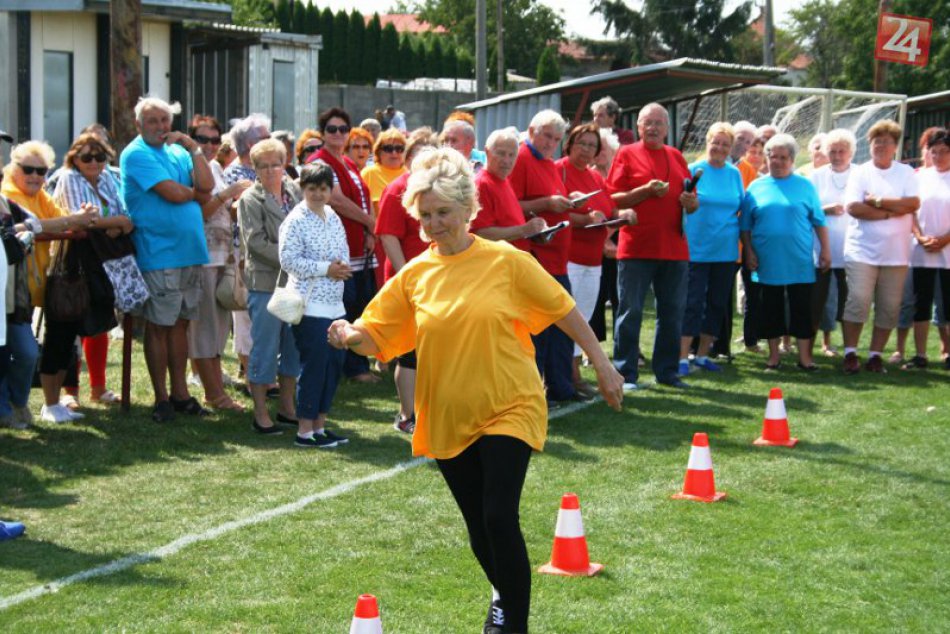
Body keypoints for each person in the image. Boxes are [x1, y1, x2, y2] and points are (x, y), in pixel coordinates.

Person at [327, 148, 624, 634]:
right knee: (480, 531)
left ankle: (512, 623)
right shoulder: (416, 275)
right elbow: (374, 330)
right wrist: (346, 334)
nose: (435, 223)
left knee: (498, 514)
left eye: (443, 212)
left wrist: (601, 362)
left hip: (511, 404)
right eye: (425, 215)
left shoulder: (506, 261)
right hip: (448, 414)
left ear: (468, 210)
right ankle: (503, 597)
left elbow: (563, 307)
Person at [121, 97, 213, 422]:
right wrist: (194, 194)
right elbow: (176, 194)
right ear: (139, 125)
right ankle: (161, 398)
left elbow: (208, 185)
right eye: (153, 121)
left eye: (165, 120)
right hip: (158, 253)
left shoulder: (177, 151)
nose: (161, 126)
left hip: (190, 251)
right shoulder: (136, 154)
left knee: (181, 323)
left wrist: (193, 147)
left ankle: (181, 395)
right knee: (159, 326)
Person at [2, 141, 99, 422]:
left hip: (30, 289)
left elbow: (61, 221)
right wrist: (72, 220)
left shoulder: (40, 195)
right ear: (12, 169)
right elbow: (45, 224)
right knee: (18, 352)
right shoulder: (8, 193)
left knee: (23, 352)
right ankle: (12, 407)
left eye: (41, 171)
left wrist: (76, 219)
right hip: (10, 291)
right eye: (28, 169)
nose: (35, 176)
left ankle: (16, 405)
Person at [606, 103, 698, 389]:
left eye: (659, 123)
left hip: (674, 249)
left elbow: (692, 200)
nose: (654, 127)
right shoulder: (626, 153)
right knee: (630, 312)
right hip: (636, 248)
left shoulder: (676, 156)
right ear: (639, 127)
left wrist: (692, 202)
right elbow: (614, 199)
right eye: (648, 122)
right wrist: (645, 191)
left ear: (668, 128)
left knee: (672, 312)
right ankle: (625, 372)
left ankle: (667, 372)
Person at [52, 132, 135, 408]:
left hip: (104, 257)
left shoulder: (110, 177)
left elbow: (126, 215)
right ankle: (69, 391)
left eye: (99, 156)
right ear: (74, 158)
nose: (94, 162)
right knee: (72, 318)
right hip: (75, 255)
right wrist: (115, 222)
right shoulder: (67, 177)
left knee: (102, 317)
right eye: (86, 156)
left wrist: (113, 221)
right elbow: (83, 219)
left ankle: (98, 388)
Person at [508, 109, 583, 403]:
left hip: (555, 257)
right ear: (531, 131)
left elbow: (549, 201)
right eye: (547, 136)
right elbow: (512, 205)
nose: (551, 142)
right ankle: (538, 390)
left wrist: (566, 201)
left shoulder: (547, 162)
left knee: (560, 324)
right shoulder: (522, 159)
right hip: (536, 256)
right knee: (539, 329)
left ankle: (561, 386)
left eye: (556, 138)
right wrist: (549, 202)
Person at [740, 134, 830, 370]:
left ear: (791, 159)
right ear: (766, 158)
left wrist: (825, 251)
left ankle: (805, 358)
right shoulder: (756, 187)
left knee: (802, 309)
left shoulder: (805, 185)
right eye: (773, 156)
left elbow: (819, 221)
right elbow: (746, 226)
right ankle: (773, 357)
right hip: (766, 262)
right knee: (771, 308)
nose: (777, 161)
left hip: (799, 260)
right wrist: (748, 251)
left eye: (783, 157)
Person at [278, 162, 351, 447]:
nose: (318, 194)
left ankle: (320, 425)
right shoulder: (295, 220)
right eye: (312, 189)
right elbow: (288, 261)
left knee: (333, 364)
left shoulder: (332, 215)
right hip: (308, 305)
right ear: (302, 189)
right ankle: (304, 430)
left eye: (323, 188)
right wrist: (326, 269)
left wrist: (342, 266)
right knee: (314, 366)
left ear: (330, 190)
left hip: (335, 303)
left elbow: (343, 247)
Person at [372, 132, 438, 433]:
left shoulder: (432, 190)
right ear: (410, 159)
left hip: (434, 281)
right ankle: (407, 415)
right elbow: (388, 236)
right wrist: (408, 278)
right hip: (410, 281)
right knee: (410, 353)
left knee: (430, 351)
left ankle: (425, 411)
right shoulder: (398, 189)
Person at [841, 120, 920, 374]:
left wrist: (876, 201)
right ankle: (850, 352)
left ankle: (875, 355)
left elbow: (912, 204)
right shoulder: (860, 172)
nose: (881, 146)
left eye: (887, 141)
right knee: (859, 300)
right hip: (861, 250)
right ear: (870, 144)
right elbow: (854, 208)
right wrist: (890, 213)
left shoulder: (906, 173)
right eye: (877, 141)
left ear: (895, 146)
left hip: (896, 253)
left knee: (889, 306)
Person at [186, 115, 251, 411]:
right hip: (201, 256)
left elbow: (224, 211)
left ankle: (215, 391)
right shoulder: (188, 166)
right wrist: (228, 194)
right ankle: (214, 394)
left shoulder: (213, 166)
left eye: (215, 139)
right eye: (203, 139)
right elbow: (199, 213)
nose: (210, 145)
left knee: (219, 328)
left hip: (222, 255)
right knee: (205, 328)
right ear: (191, 141)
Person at [237, 138, 302, 433]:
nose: (271, 170)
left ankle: (288, 408)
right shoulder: (251, 199)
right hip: (265, 283)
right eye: (263, 166)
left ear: (284, 163)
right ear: (254, 169)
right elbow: (256, 242)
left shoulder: (295, 190)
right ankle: (260, 413)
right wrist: (295, 258)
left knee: (293, 347)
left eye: (276, 163)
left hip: (296, 283)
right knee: (264, 347)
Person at [314, 107, 380, 384]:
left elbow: (364, 198)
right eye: (332, 129)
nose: (338, 134)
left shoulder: (349, 162)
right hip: (337, 249)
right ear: (323, 133)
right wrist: (371, 223)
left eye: (343, 129)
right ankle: (351, 367)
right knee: (347, 305)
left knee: (360, 303)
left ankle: (355, 362)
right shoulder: (321, 161)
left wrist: (368, 229)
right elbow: (336, 199)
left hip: (357, 245)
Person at [555, 123, 622, 397]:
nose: (586, 150)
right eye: (582, 143)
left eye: (592, 146)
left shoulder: (595, 178)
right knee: (566, 316)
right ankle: (567, 374)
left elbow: (609, 210)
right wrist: (585, 220)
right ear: (569, 143)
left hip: (593, 259)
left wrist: (616, 223)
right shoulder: (559, 170)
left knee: (584, 317)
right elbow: (555, 213)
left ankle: (573, 372)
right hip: (567, 256)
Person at [680, 122, 744, 375]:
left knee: (717, 303)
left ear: (730, 148)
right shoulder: (693, 170)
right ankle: (682, 356)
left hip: (726, 251)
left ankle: (703, 354)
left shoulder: (734, 173)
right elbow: (681, 204)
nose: (719, 148)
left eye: (725, 144)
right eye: (715, 142)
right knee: (692, 303)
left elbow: (740, 205)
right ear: (707, 143)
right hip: (696, 250)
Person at [225, 114, 272, 386]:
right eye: (265, 138)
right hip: (242, 252)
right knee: (245, 312)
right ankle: (248, 369)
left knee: (262, 313)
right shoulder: (234, 173)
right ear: (249, 143)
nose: (271, 141)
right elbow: (234, 213)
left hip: (266, 251)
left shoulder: (265, 170)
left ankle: (261, 369)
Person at [904, 128, 950, 370]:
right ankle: (920, 355)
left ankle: (948, 353)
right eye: (935, 152)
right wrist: (920, 237)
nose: (939, 156)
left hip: (948, 252)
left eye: (944, 152)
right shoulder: (920, 177)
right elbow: (911, 210)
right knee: (920, 304)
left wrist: (944, 239)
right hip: (922, 252)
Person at [809, 129, 857, 358]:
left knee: (848, 303)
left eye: (842, 151)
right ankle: (811, 345)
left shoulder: (860, 174)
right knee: (817, 300)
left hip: (854, 249)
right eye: (832, 151)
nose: (837, 155)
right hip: (821, 249)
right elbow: (806, 209)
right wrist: (825, 209)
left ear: (851, 152)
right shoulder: (816, 176)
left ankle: (849, 348)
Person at [471, 127, 545, 250]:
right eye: (501, 153)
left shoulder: (503, 180)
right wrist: (524, 230)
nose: (507, 160)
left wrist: (533, 232)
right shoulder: (482, 184)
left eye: (512, 155)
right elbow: (481, 234)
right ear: (487, 152)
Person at [361, 128, 408, 214]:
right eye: (388, 148)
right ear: (378, 152)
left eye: (399, 148)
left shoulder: (411, 174)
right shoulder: (368, 174)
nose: (394, 153)